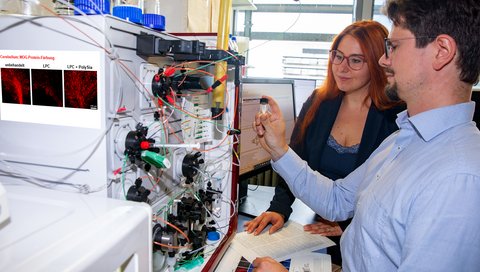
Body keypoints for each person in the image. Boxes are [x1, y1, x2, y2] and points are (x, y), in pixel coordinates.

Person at [251, 0, 480, 271]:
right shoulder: (402, 140)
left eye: (393, 47)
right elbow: (338, 201)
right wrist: (279, 149)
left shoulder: (459, 178)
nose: (384, 60)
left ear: (441, 51)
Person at [243, 20, 403, 266]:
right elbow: (295, 158)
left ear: (378, 62)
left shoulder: (395, 117)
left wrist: (351, 224)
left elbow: (389, 194)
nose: (342, 67)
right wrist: (279, 208)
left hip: (359, 236)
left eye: (356, 60)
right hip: (315, 223)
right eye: (337, 56)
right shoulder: (320, 102)